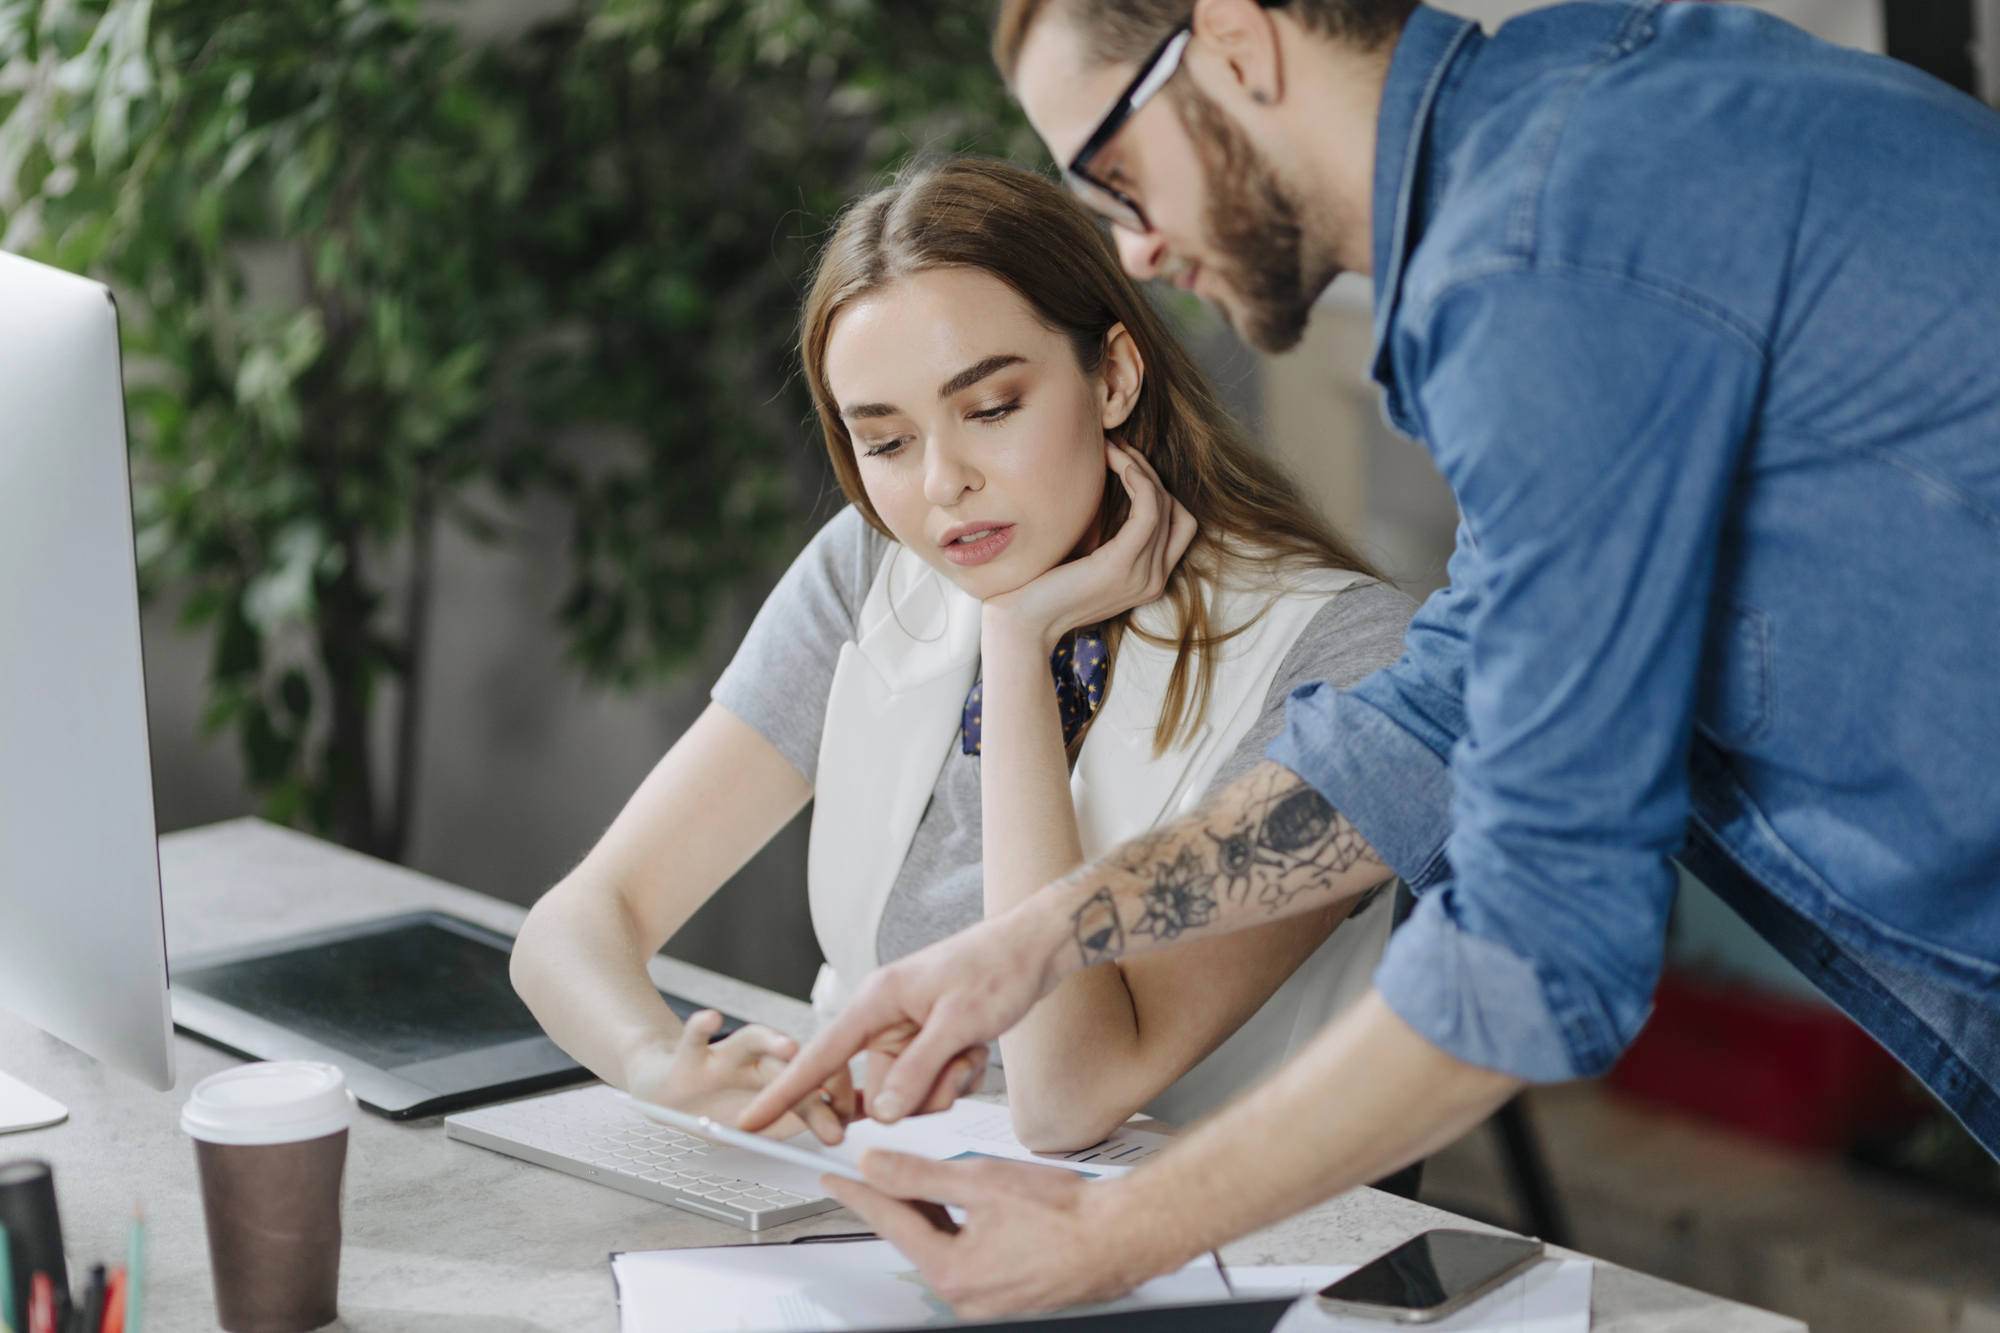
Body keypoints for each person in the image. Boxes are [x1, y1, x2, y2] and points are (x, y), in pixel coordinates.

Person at [742, 0, 2000, 1315]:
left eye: (1116, 170)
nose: (1139, 244)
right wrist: (1039, 942)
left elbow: (1536, 946)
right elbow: (1451, 709)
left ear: (1232, 38)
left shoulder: (1540, 255)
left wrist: (1109, 1237)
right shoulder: (1581, 124)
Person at [509, 156, 1423, 1156]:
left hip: (1186, 1238)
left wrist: (1020, 642)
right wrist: (661, 1068)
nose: (943, 483)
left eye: (989, 409)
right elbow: (579, 920)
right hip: (862, 1182)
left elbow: (1067, 1096)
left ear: (1111, 375)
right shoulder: (871, 568)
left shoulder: (1343, 654)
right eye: (885, 441)